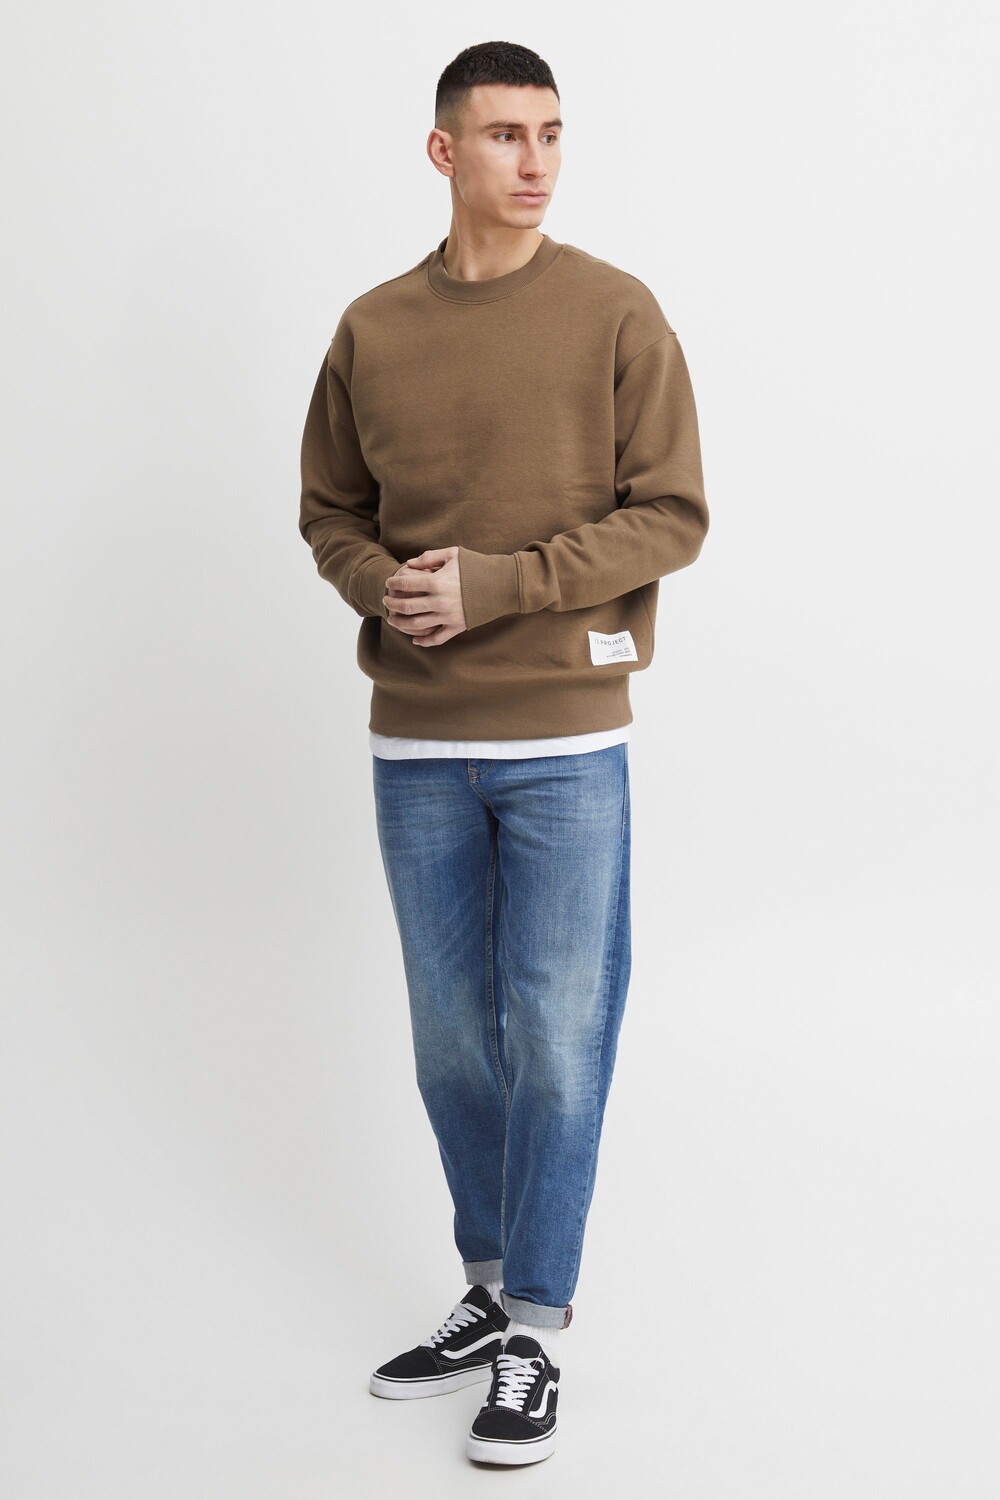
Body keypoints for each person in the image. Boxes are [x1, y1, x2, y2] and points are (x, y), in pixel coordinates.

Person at [298, 39, 709, 1467]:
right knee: (452, 1044)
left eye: (551, 133)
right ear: (443, 152)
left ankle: (534, 1323)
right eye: (504, 135)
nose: (535, 161)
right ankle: (487, 1284)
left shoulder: (615, 311)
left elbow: (672, 514)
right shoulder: (372, 328)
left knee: (560, 1035)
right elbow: (330, 512)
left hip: (565, 740)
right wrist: (384, 588)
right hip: (415, 745)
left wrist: (499, 586)